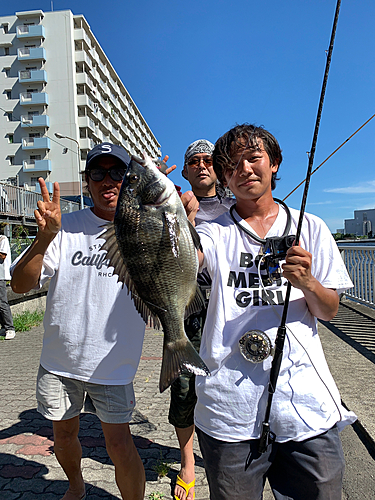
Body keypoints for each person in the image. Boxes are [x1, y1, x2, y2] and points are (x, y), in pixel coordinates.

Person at [182, 124, 357, 500]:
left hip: (306, 406)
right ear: (224, 177)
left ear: (274, 163)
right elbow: (186, 264)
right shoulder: (212, 231)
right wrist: (176, 224)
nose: (244, 169)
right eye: (231, 165)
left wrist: (309, 282)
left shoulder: (311, 227)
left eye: (253, 158)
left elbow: (329, 311)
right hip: (230, 408)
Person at [11, 143, 147, 500]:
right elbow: (20, 284)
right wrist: (44, 237)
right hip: (61, 360)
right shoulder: (64, 228)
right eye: (98, 173)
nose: (108, 180)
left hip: (114, 363)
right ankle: (76, 486)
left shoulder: (142, 228)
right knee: (63, 436)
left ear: (129, 180)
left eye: (117, 172)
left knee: (119, 445)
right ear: (87, 182)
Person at [170, 139, 234, 500]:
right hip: (191, 303)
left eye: (209, 159)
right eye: (193, 161)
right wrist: (184, 217)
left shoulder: (236, 202)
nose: (201, 165)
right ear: (185, 171)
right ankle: (187, 462)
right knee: (184, 386)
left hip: (233, 303)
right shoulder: (173, 204)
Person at [0, 231, 15, 339]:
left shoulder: (3, 239)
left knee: (2, 302)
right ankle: (4, 327)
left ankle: (10, 328)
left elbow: (2, 255)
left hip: (1, 275)